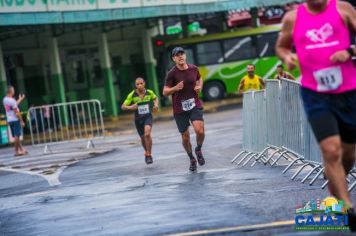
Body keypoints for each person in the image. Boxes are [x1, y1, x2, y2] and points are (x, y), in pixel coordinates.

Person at [276, 0, 356, 230]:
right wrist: (287, 57)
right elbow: (282, 46)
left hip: (348, 91)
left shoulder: (343, 9)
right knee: (331, 150)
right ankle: (345, 207)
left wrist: (348, 51)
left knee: (348, 154)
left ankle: (335, 182)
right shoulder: (293, 18)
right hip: (315, 94)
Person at [163, 47, 206, 172]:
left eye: (182, 54)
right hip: (179, 108)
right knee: (185, 137)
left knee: (200, 131)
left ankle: (198, 148)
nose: (180, 56)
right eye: (177, 55)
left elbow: (199, 78)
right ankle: (191, 158)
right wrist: (175, 88)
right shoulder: (172, 73)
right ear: (173, 59)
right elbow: (165, 92)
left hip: (194, 104)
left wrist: (199, 87)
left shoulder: (194, 68)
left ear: (185, 56)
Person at [121, 77, 159, 165]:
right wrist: (130, 107)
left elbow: (155, 98)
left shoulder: (149, 92)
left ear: (144, 83)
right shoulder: (132, 95)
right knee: (142, 138)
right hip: (138, 119)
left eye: (141, 83)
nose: (139, 85)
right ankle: (146, 153)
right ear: (135, 85)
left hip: (148, 117)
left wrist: (156, 104)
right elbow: (123, 106)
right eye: (137, 84)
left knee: (147, 134)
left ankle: (149, 154)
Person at [3, 86, 27, 156]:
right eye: (13, 90)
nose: (14, 91)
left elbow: (14, 105)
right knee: (17, 136)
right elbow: (16, 111)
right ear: (11, 91)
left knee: (16, 136)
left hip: (9, 120)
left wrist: (20, 99)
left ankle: (22, 149)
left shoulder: (5, 99)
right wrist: (21, 121)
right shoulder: (12, 100)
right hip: (15, 119)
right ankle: (16, 151)